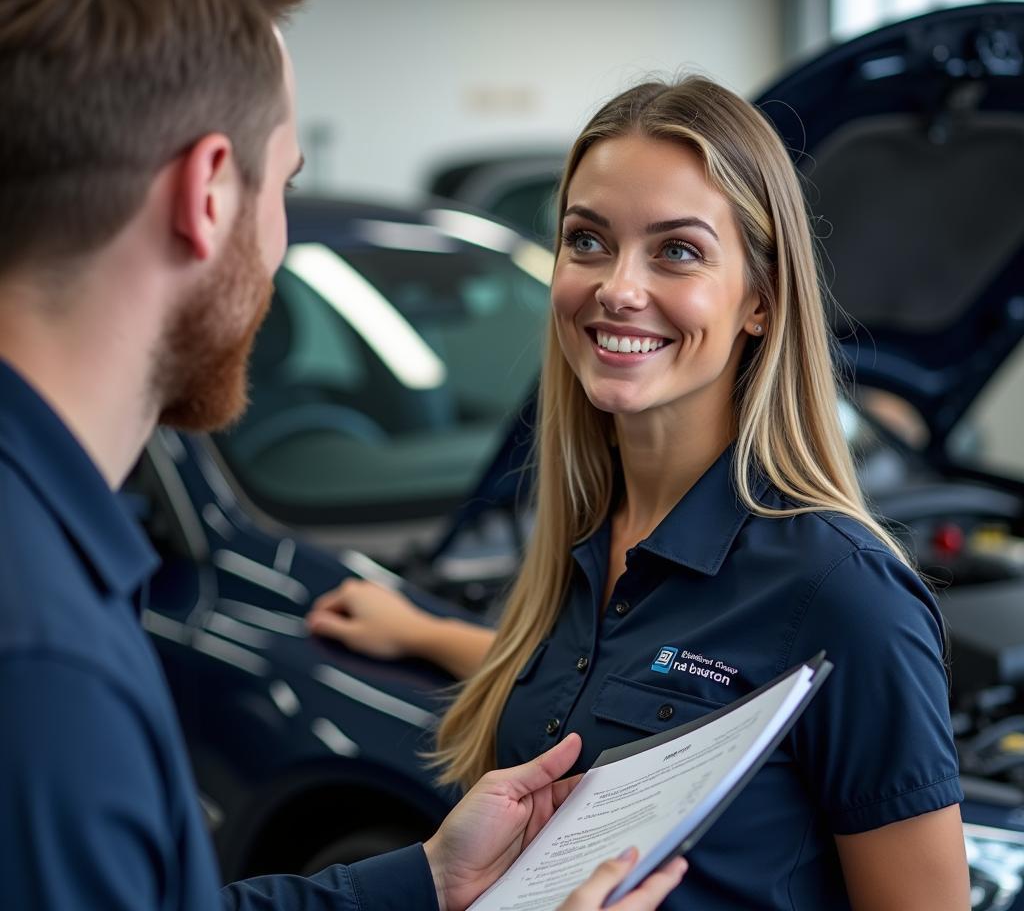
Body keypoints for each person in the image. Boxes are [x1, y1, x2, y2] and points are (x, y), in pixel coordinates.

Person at [0, 0, 689, 909]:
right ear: (206, 194)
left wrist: (424, 884)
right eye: (283, 185)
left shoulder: (46, 557)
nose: (275, 242)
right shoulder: (43, 664)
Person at [308, 78, 972, 909]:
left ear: (760, 301)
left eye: (678, 251)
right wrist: (423, 630)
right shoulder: (581, 535)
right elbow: (621, 693)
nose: (618, 287)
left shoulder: (844, 593)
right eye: (587, 241)